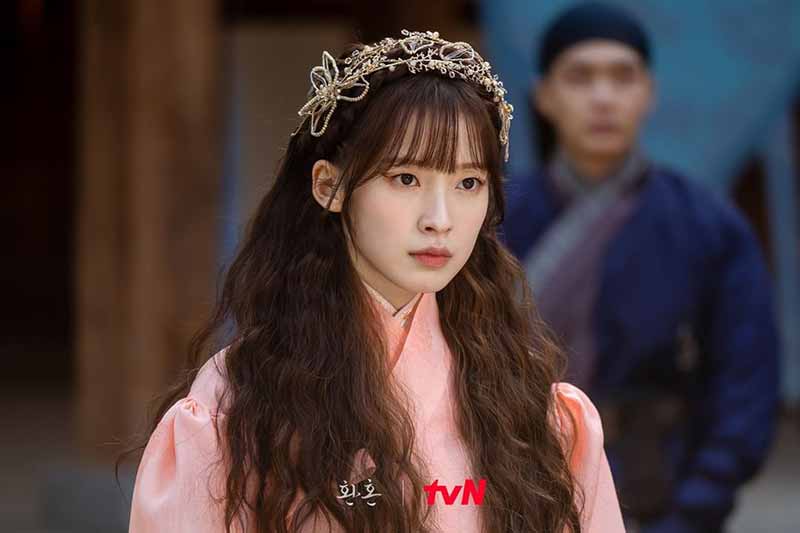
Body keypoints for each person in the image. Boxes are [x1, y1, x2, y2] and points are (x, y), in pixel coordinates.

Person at [122, 30, 624, 532]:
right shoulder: (239, 408)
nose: (440, 219)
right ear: (330, 186)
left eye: (469, 183)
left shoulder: (534, 412)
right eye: (406, 179)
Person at [501, 4, 781, 533]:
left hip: (658, 496)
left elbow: (746, 383)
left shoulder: (706, 224)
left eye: (622, 76)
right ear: (544, 95)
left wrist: (696, 506)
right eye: (580, 77)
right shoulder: (497, 219)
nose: (603, 96)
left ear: (648, 93)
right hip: (513, 488)